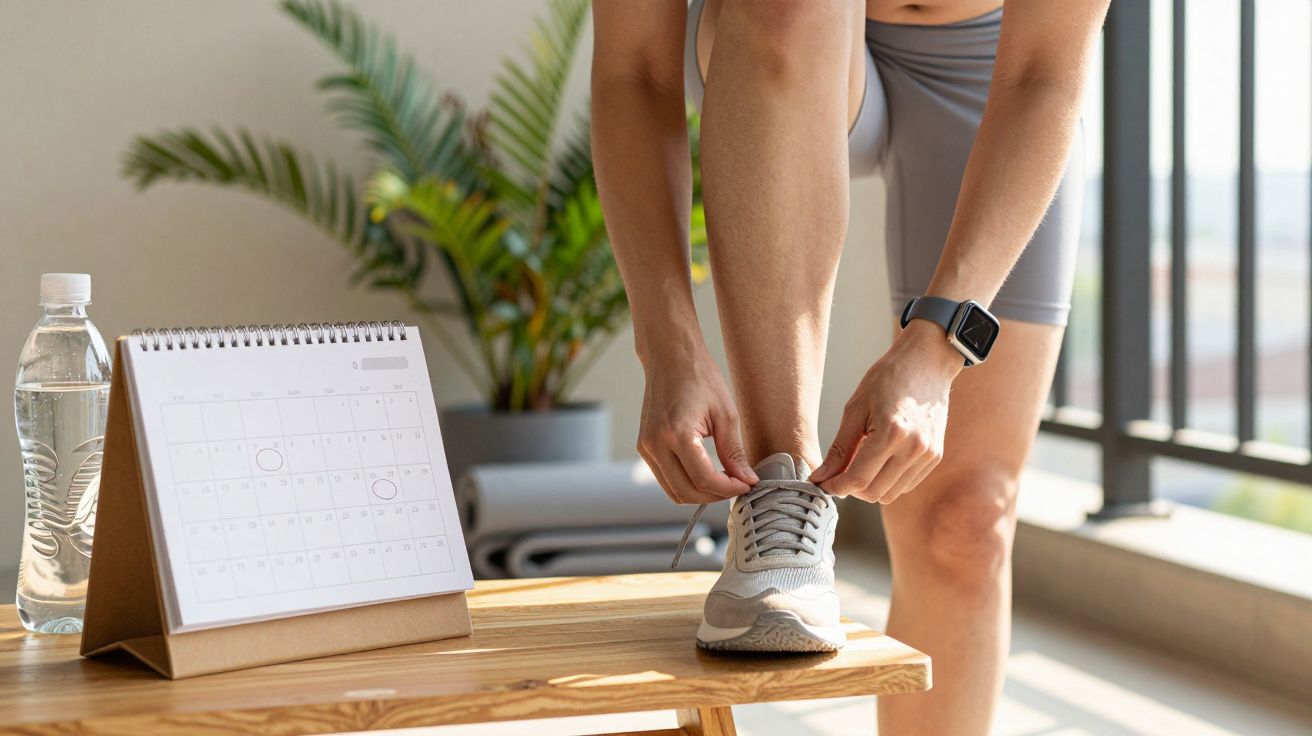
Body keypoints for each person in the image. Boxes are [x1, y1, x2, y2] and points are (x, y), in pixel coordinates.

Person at [590, 0, 1109, 733]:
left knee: (967, 523)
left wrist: (938, 347)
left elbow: (1042, 72)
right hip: (772, 37)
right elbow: (635, 69)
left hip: (997, 60)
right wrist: (666, 341)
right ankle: (780, 500)